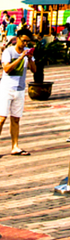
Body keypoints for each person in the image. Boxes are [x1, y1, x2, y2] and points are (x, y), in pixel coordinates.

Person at [0, 27, 36, 155]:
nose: (25, 44)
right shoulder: (8, 52)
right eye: (24, 41)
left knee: (15, 119)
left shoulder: (27, 52)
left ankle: (15, 146)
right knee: (1, 118)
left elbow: (34, 70)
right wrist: (21, 58)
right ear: (17, 38)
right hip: (6, 88)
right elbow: (6, 69)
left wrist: (30, 58)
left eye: (28, 42)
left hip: (20, 89)